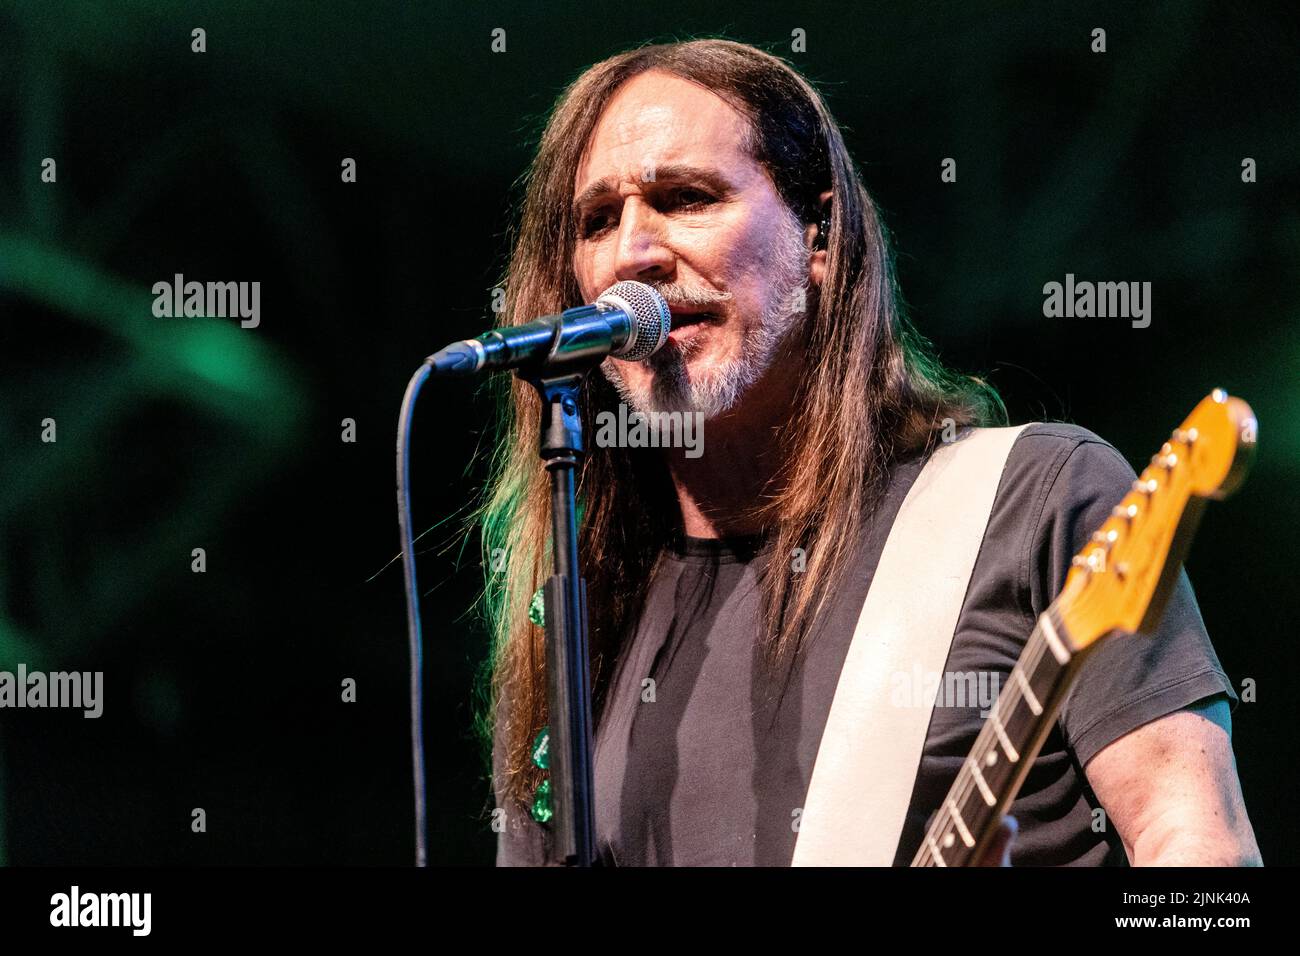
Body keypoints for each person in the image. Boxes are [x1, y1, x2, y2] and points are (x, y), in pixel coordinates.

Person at [477, 38, 1260, 866]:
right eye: (598, 220)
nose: (633, 252)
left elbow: (1202, 858)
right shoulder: (575, 624)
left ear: (817, 237)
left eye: (686, 197)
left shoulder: (1031, 502)